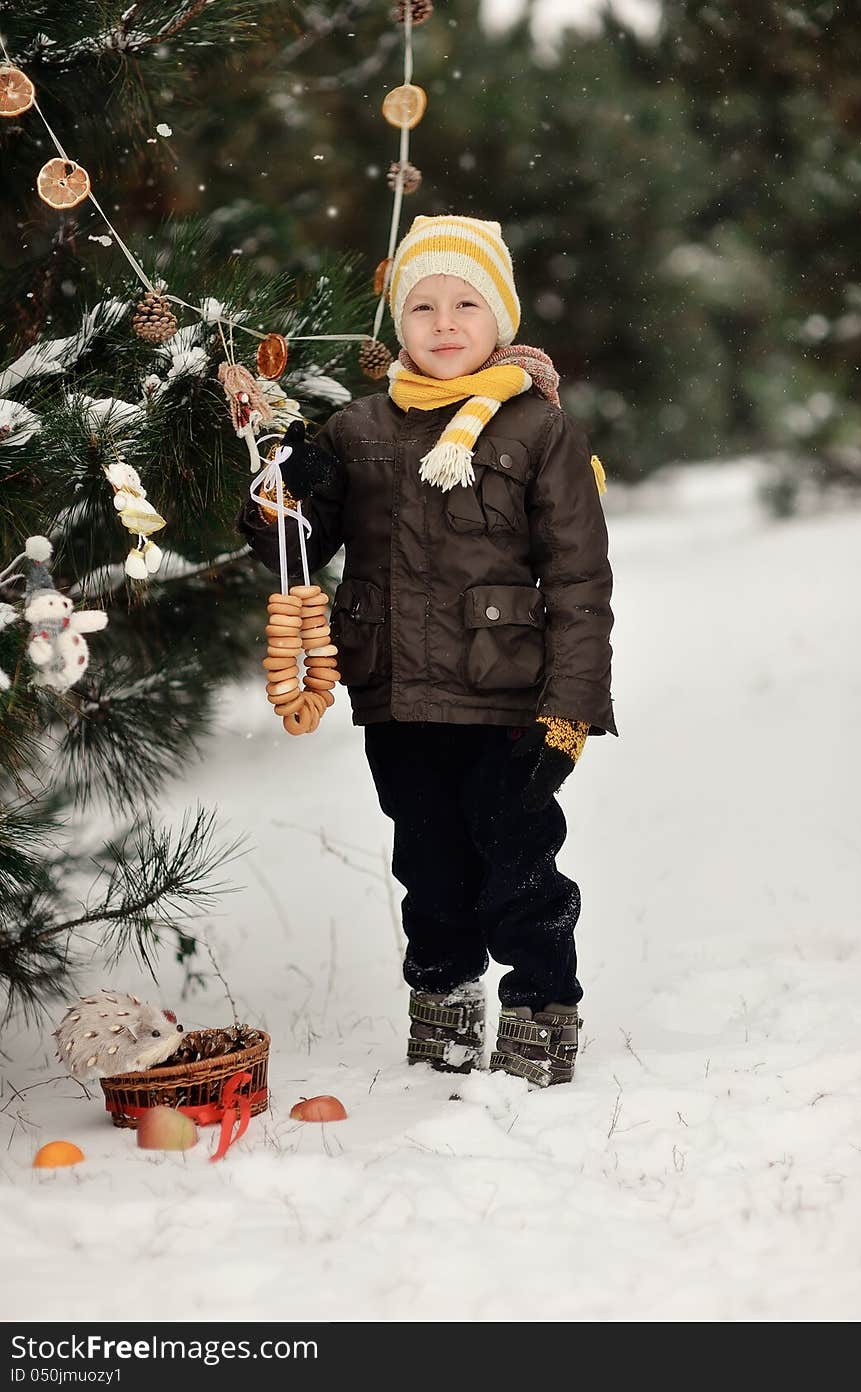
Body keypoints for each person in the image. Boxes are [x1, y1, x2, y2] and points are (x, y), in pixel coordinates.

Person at [237, 214, 617, 1088]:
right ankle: (443, 1002)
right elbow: (294, 547)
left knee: (519, 866)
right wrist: (279, 490)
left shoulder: (539, 432)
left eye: (466, 303)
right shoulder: (356, 431)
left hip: (510, 704)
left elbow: (580, 582)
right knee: (428, 866)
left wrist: (572, 707)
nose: (445, 324)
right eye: (422, 306)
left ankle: (539, 1010)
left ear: (501, 319)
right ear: (397, 326)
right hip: (397, 697)